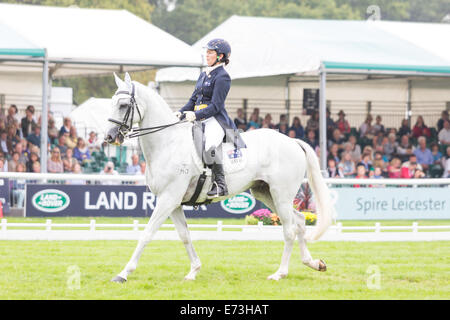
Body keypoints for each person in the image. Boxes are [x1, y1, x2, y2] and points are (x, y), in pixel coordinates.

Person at [174, 38, 245, 198]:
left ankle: (220, 184)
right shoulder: (203, 74)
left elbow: (216, 106)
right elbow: (193, 100)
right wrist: (181, 111)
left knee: (210, 146)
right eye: (207, 52)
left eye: (210, 52)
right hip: (199, 118)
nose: (207, 55)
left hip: (215, 120)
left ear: (220, 56)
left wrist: (196, 114)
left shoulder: (223, 77)